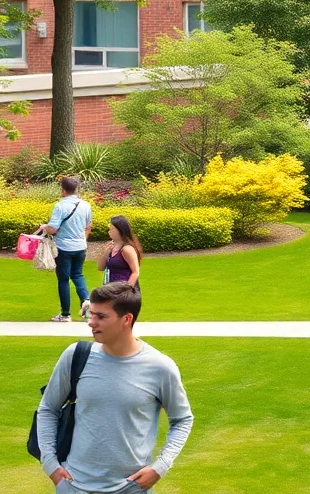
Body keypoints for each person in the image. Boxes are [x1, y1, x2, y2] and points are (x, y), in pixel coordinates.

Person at [36, 283, 193, 493]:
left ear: (126, 319)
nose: (91, 322)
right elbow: (48, 408)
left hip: (132, 488)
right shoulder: (75, 356)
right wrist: (50, 465)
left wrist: (161, 466)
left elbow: (182, 419)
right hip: (73, 486)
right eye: (90, 314)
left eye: (101, 317)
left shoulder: (160, 367)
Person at [38, 176, 93, 322]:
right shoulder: (85, 205)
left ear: (63, 190)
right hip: (80, 246)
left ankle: (65, 314)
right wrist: (83, 240)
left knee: (63, 279)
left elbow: (53, 229)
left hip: (63, 247)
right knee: (78, 275)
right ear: (75, 189)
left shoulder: (60, 206)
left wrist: (45, 227)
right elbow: (88, 226)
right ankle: (86, 300)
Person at [98, 215, 141, 289]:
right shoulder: (110, 247)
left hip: (124, 290)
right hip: (111, 288)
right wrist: (106, 253)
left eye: (111, 229)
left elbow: (135, 272)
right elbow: (100, 267)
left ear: (120, 230)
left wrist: (127, 290)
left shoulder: (127, 249)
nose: (109, 231)